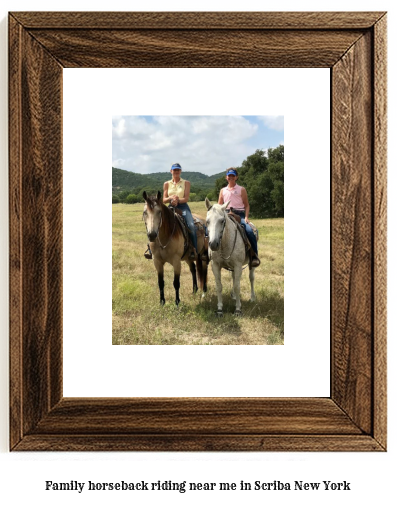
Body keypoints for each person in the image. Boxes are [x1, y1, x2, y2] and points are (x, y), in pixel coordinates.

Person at [144, 163, 197, 260]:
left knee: (191, 225)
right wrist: (171, 198)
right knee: (156, 223)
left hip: (183, 207)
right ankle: (152, 249)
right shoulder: (166, 184)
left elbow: (186, 198)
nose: (176, 172)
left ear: (180, 171)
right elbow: (164, 199)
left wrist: (178, 200)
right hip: (170, 207)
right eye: (174, 170)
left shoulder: (186, 183)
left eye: (178, 170)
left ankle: (193, 249)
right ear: (171, 171)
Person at [218, 168, 260, 267]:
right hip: (226, 213)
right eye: (229, 176)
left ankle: (254, 255)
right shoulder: (223, 190)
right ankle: (211, 254)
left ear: (236, 177)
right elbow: (219, 205)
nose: (231, 177)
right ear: (226, 177)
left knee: (249, 231)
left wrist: (246, 217)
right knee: (213, 230)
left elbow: (246, 205)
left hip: (239, 214)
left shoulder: (241, 189)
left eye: (233, 176)